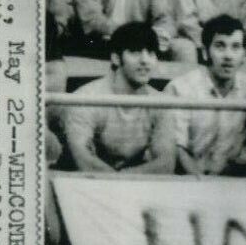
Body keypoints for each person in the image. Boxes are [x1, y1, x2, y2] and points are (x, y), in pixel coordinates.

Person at [164, 14, 246, 177]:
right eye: (220, 46)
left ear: (243, 54)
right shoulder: (181, 87)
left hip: (228, 182)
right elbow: (177, 148)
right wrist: (201, 183)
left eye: (236, 47)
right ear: (205, 52)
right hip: (185, 180)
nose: (228, 56)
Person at [59, 21, 175, 174]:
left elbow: (166, 163)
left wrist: (124, 179)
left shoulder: (160, 101)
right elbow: (84, 161)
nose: (145, 60)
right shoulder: (86, 98)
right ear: (115, 58)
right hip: (85, 185)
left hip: (132, 187)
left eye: (151, 53)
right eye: (135, 52)